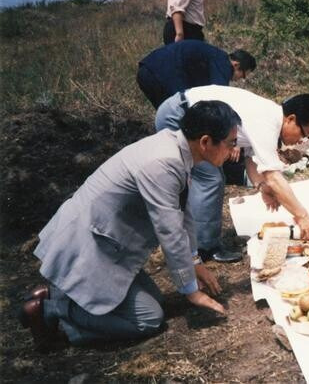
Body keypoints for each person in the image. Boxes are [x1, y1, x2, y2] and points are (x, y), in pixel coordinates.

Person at [19, 101, 241, 349]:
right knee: (148, 319)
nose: (234, 149)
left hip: (104, 240)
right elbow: (170, 230)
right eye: (231, 142)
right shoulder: (163, 163)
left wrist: (194, 261)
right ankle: (52, 309)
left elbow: (183, 212)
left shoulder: (177, 148)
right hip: (89, 244)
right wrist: (191, 291)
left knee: (154, 300)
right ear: (205, 142)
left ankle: (61, 295)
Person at [155, 85, 309, 262]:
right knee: (210, 179)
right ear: (291, 119)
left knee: (211, 178)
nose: (301, 141)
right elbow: (274, 177)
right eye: (304, 134)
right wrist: (303, 217)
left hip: (183, 109)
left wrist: (261, 186)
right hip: (178, 114)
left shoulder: (268, 117)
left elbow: (250, 157)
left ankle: (199, 243)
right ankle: (203, 248)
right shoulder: (267, 121)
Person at [137, 40, 256, 109]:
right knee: (181, 118)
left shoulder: (214, 58)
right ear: (236, 65)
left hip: (147, 70)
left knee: (172, 119)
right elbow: (219, 99)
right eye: (244, 75)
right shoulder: (223, 64)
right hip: (159, 75)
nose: (241, 79)